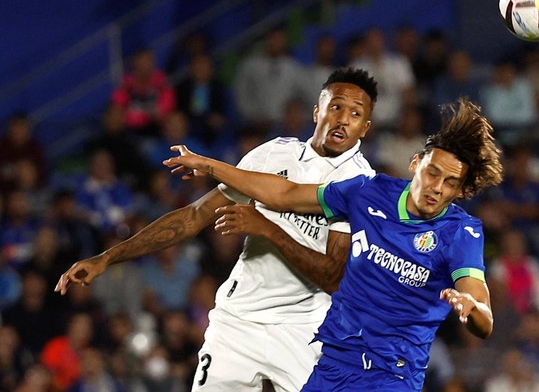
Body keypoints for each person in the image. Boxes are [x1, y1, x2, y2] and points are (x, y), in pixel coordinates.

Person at [55, 67, 378, 392]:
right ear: (317, 110)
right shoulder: (274, 152)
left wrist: (269, 229)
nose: (343, 119)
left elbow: (333, 277)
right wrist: (108, 257)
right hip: (237, 321)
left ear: (365, 127)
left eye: (355, 113)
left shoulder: (361, 184)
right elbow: (195, 215)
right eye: (336, 106)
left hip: (304, 328)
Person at [161, 98, 504, 391]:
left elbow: (481, 308)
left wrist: (471, 309)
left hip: (391, 374)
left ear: (460, 191)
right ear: (416, 164)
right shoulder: (368, 192)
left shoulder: (460, 233)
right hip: (334, 360)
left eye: (450, 183)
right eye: (433, 173)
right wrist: (209, 165)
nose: (437, 187)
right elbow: (284, 193)